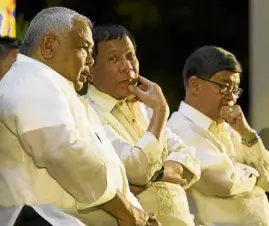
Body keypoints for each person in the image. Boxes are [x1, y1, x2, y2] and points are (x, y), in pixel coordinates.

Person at [0, 7, 160, 226]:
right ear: (48, 46)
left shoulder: (53, 86)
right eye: (85, 48)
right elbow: (64, 153)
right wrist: (126, 211)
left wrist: (135, 211)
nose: (91, 61)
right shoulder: (30, 80)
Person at [85, 24, 201, 226]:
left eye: (130, 56)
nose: (126, 66)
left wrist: (155, 173)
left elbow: (192, 164)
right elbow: (136, 170)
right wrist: (161, 111)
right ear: (90, 72)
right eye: (113, 59)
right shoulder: (87, 113)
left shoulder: (144, 109)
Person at [167, 46, 269, 225]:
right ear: (194, 85)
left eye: (235, 89)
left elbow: (267, 179)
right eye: (224, 86)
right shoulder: (179, 129)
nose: (231, 97)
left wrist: (246, 132)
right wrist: (254, 173)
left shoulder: (231, 126)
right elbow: (226, 183)